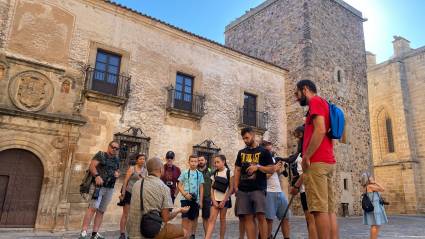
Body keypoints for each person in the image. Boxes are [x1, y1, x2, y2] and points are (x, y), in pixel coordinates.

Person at [294, 79, 338, 239]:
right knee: (328, 209)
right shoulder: (324, 103)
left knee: (318, 210)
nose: (296, 98)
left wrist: (306, 157)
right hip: (327, 161)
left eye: (297, 93)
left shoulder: (315, 101)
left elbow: (320, 130)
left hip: (317, 162)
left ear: (304, 89)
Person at [127, 157, 190, 239]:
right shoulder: (163, 187)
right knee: (185, 234)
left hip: (132, 230)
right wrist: (179, 210)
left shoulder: (137, 184)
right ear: (161, 170)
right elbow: (166, 217)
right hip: (150, 231)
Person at [234, 127, 275, 239]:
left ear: (253, 136)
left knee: (261, 216)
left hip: (258, 189)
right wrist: (235, 187)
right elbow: (237, 170)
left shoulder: (264, 151)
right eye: (243, 139)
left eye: (247, 138)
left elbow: (271, 169)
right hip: (242, 190)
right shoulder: (241, 152)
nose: (245, 140)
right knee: (247, 218)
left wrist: (257, 167)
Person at [79, 141, 120, 239]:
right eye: (113, 147)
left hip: (109, 188)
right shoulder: (101, 155)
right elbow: (92, 166)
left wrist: (117, 175)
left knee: (101, 210)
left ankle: (95, 234)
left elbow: (118, 172)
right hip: (98, 187)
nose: (114, 149)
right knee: (93, 207)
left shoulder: (116, 160)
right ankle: (83, 232)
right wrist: (97, 176)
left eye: (116, 148)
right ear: (109, 146)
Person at [290, 126, 318, 239]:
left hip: (308, 187)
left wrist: (295, 186)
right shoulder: (301, 152)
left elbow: (306, 171)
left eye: (299, 136)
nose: (296, 140)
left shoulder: (308, 151)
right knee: (309, 219)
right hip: (303, 188)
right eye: (295, 137)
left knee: (311, 219)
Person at [261, 141, 290, 239]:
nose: (270, 152)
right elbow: (262, 178)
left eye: (270, 150)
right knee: (269, 219)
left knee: (285, 217)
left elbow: (275, 176)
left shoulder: (272, 159)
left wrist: (277, 169)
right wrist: (274, 169)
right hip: (269, 192)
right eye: (267, 150)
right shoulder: (261, 161)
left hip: (279, 192)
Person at [205, 155, 234, 239]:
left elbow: (231, 188)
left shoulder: (229, 173)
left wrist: (224, 201)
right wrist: (213, 200)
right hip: (215, 199)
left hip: (224, 200)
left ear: (223, 162)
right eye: (215, 162)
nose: (216, 164)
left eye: (218, 162)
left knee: (222, 219)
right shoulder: (215, 173)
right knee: (212, 218)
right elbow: (212, 188)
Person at [118, 153, 147, 239]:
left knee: (136, 214)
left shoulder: (145, 171)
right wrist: (123, 194)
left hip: (139, 194)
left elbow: (145, 183)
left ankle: (131, 234)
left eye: (143, 159)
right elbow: (125, 181)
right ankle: (122, 234)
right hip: (129, 192)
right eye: (140, 159)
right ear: (137, 160)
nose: (142, 160)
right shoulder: (132, 169)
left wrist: (142, 179)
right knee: (125, 214)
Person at [178, 155, 204, 239]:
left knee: (191, 218)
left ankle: (188, 235)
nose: (193, 163)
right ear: (189, 162)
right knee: (184, 217)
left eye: (195, 161)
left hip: (195, 200)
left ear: (197, 163)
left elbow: (201, 187)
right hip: (185, 199)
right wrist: (185, 194)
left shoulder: (199, 174)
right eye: (192, 161)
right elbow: (179, 185)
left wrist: (200, 201)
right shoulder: (185, 173)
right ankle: (183, 235)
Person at [361, 173, 388, 239]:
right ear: (368, 178)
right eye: (370, 176)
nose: (372, 177)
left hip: (372, 206)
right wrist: (375, 182)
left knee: (377, 224)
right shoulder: (370, 186)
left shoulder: (365, 187)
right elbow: (383, 189)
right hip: (374, 207)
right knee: (375, 224)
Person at [191, 156, 212, 239]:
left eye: (202, 160)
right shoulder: (195, 171)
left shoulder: (210, 171)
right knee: (195, 216)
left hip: (207, 196)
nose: (200, 162)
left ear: (206, 161)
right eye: (199, 160)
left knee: (205, 217)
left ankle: (207, 236)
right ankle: (193, 235)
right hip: (196, 197)